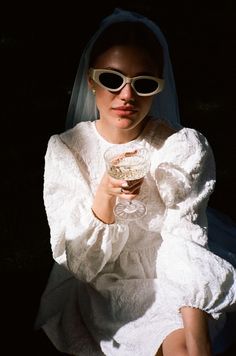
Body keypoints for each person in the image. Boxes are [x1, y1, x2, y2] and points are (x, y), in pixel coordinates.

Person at [35, 8, 236, 356]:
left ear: (159, 87)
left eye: (143, 84)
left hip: (171, 269)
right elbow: (81, 262)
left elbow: (183, 239)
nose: (127, 95)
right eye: (112, 79)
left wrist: (199, 340)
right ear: (90, 80)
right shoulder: (66, 150)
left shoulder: (179, 147)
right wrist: (105, 196)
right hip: (107, 281)